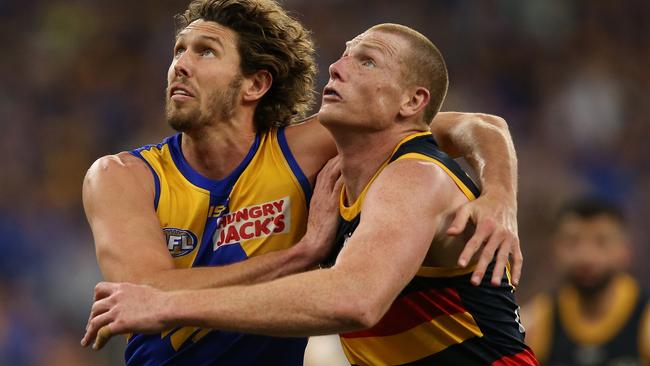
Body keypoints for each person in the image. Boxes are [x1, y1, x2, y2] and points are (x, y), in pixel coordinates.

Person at [81, 22, 537, 365]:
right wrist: (303, 252)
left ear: (412, 103)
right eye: (342, 56)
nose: (336, 67)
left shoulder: (414, 175)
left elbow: (354, 298)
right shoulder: (338, 173)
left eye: (367, 61)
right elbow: (135, 290)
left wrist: (499, 194)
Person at [522, 197, 650, 366]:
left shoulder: (645, 319)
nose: (586, 256)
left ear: (625, 250)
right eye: (572, 242)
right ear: (555, 249)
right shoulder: (535, 322)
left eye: (601, 242)